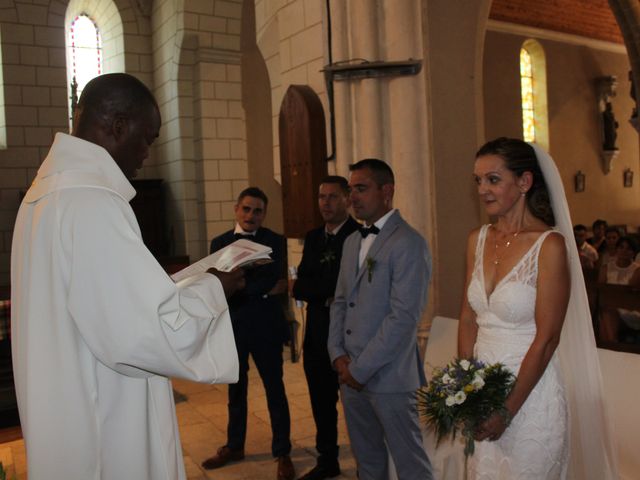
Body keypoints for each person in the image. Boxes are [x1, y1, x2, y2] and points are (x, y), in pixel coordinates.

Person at [10, 73, 243, 480]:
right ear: (118, 126)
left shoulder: (43, 194)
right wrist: (213, 287)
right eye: (148, 138)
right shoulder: (91, 202)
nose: (147, 154)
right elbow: (141, 334)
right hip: (105, 429)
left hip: (66, 411)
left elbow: (104, 305)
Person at [458, 137, 618, 479]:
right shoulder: (477, 239)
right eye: (478, 180)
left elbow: (547, 339)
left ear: (525, 182)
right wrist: (467, 389)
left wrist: (506, 409)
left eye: (493, 179)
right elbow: (469, 317)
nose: (483, 189)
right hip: (482, 392)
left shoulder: (550, 246)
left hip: (530, 396)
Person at [328, 159, 433, 480]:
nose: (352, 197)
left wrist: (360, 369)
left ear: (387, 191)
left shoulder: (409, 243)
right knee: (368, 462)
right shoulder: (350, 242)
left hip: (390, 377)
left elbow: (403, 317)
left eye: (361, 188)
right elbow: (340, 301)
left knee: (410, 465)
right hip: (350, 376)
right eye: (351, 190)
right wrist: (337, 354)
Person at [202, 187, 294, 480]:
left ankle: (282, 451)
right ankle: (234, 445)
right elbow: (217, 285)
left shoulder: (275, 241)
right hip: (234, 328)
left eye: (258, 211)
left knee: (275, 390)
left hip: (267, 327)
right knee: (235, 391)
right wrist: (257, 287)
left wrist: (239, 285)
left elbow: (271, 279)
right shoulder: (219, 243)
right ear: (236, 209)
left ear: (264, 214)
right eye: (246, 209)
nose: (251, 215)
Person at [292, 176, 359, 480]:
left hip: (350, 332)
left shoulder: (358, 235)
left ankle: (367, 462)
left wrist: (323, 290)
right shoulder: (314, 237)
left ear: (347, 199)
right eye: (321, 197)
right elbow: (299, 286)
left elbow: (349, 288)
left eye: (333, 197)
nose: (326, 203)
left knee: (356, 403)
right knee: (320, 400)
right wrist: (326, 292)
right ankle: (327, 459)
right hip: (318, 330)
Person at [598, 236, 640, 342]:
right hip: (608, 307)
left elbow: (630, 295)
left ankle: (611, 347)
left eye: (628, 248)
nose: (624, 251)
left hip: (630, 310)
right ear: (616, 249)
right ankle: (613, 344)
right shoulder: (605, 268)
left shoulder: (637, 270)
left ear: (633, 252)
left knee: (605, 315)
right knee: (606, 313)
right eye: (621, 247)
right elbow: (600, 290)